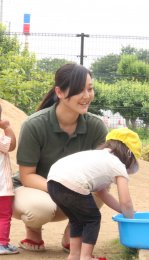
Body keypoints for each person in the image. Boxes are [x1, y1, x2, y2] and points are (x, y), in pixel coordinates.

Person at [12, 63, 108, 252]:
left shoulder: (96, 127)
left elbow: (101, 173)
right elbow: (27, 176)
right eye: (79, 90)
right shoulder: (34, 125)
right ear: (60, 92)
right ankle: (33, 230)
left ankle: (73, 233)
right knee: (40, 208)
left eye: (90, 88)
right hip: (33, 190)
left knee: (101, 187)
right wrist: (63, 189)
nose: (87, 96)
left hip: (72, 194)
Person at [47, 127, 141, 260]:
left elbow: (102, 193)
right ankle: (86, 256)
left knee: (77, 219)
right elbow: (126, 201)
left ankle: (74, 255)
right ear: (129, 154)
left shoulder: (97, 156)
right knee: (93, 218)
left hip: (53, 182)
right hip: (72, 184)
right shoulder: (117, 164)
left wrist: (123, 211)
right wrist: (131, 218)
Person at [0, 104, 19, 255]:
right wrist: (7, 127)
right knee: (4, 216)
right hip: (2, 188)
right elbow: (11, 145)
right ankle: (1, 244)